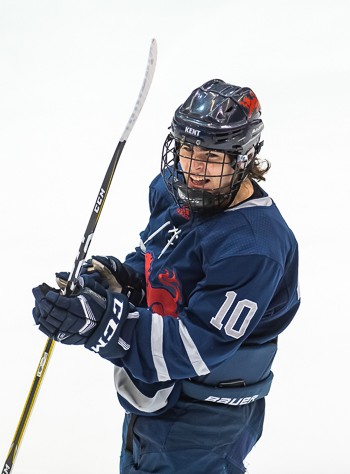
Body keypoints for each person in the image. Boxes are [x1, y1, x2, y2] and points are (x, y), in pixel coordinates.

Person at [32, 79, 300, 474]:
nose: (193, 168)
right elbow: (161, 257)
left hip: (205, 418)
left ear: (243, 158)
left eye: (211, 156)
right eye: (187, 150)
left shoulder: (253, 247)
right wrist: (121, 279)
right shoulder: (174, 191)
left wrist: (102, 323)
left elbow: (194, 348)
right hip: (157, 394)